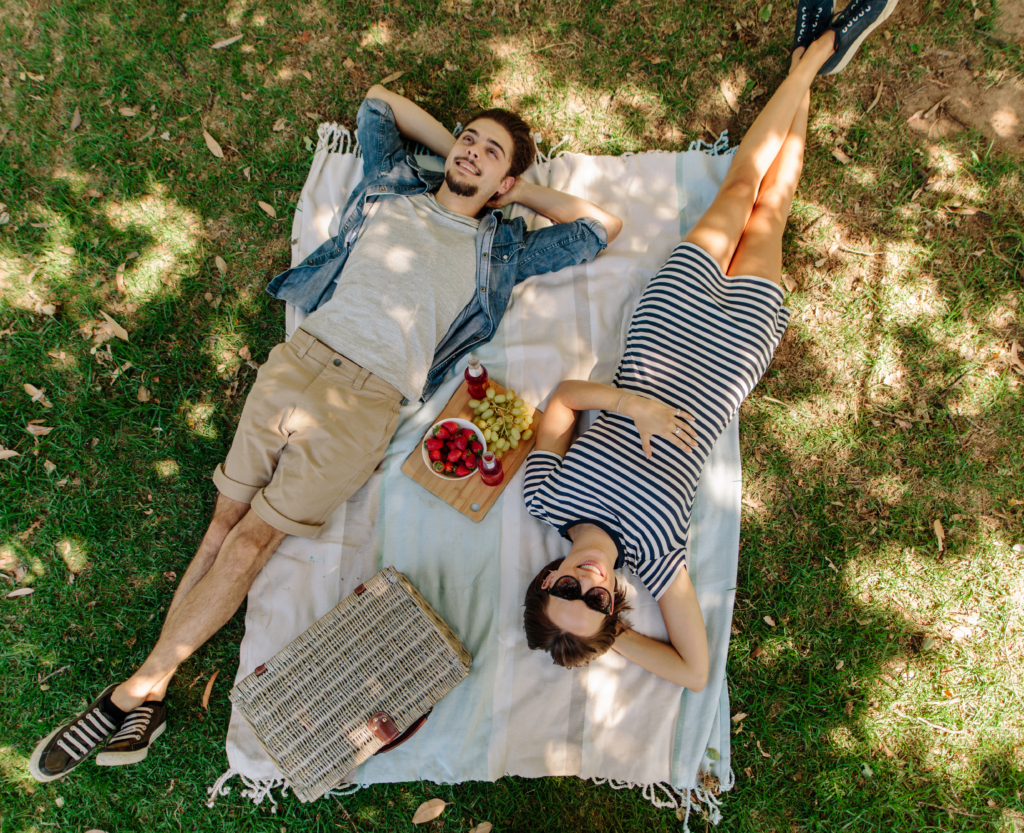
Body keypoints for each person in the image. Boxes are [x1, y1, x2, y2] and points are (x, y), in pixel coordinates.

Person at [30, 86, 622, 782]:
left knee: (252, 539)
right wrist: (456, 157)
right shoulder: (394, 186)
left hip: (365, 404)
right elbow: (378, 106)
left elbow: (597, 227)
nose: (470, 149)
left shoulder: (502, 250)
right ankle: (149, 692)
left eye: (491, 153)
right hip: (299, 361)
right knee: (219, 530)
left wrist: (514, 196)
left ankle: (135, 690)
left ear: (509, 181)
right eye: (468, 137)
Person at [521, 0, 898, 687]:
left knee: (741, 185)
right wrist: (609, 639)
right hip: (730, 350)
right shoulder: (657, 558)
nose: (586, 584)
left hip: (665, 325)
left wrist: (628, 402)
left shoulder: (545, 497)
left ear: (546, 577)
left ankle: (813, 58)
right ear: (613, 607)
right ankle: (812, 56)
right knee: (774, 209)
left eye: (565, 593)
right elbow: (696, 673)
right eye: (596, 602)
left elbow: (564, 399)